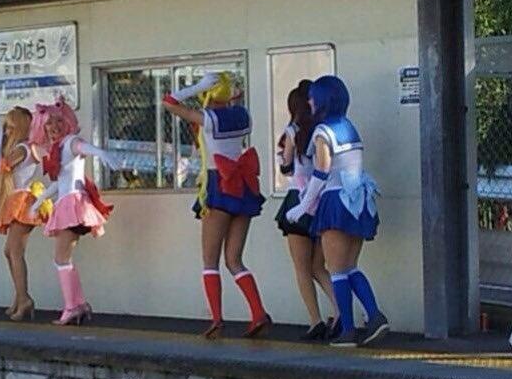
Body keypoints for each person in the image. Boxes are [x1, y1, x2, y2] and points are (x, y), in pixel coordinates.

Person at [162, 72, 270, 340]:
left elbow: (169, 103)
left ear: (208, 93)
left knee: (210, 261)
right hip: (243, 187)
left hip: (218, 185)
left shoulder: (209, 119)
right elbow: (235, 102)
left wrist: (196, 87)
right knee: (234, 260)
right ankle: (258, 312)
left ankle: (217, 319)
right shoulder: (243, 116)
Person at [285, 74, 388, 348]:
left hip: (336, 200)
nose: (309, 102)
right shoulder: (349, 127)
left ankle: (349, 330)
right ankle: (375, 316)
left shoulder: (323, 131)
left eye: (312, 97)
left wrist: (303, 206)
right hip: (360, 200)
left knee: (337, 270)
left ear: (322, 99)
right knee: (350, 266)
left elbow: (321, 171)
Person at [28, 97, 114, 326]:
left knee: (61, 258)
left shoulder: (70, 142)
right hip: (67, 202)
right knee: (63, 258)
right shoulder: (57, 147)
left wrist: (101, 152)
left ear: (66, 121)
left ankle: (73, 306)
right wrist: (38, 202)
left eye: (58, 121)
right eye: (48, 123)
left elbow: (82, 147)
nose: (53, 127)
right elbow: (60, 183)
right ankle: (78, 304)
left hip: (73, 204)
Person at [274, 79, 338, 340]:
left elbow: (286, 166)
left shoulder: (293, 131)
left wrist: (281, 158)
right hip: (322, 201)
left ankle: (315, 320)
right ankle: (340, 312)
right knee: (319, 266)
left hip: (298, 201)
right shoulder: (323, 130)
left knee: (302, 268)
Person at [0, 105, 48, 321]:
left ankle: (24, 299)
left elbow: (2, 166)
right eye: (5, 128)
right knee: (10, 251)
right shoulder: (22, 148)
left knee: (15, 252)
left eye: (9, 127)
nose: (6, 132)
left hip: (23, 201)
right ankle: (19, 296)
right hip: (16, 200)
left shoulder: (24, 148)